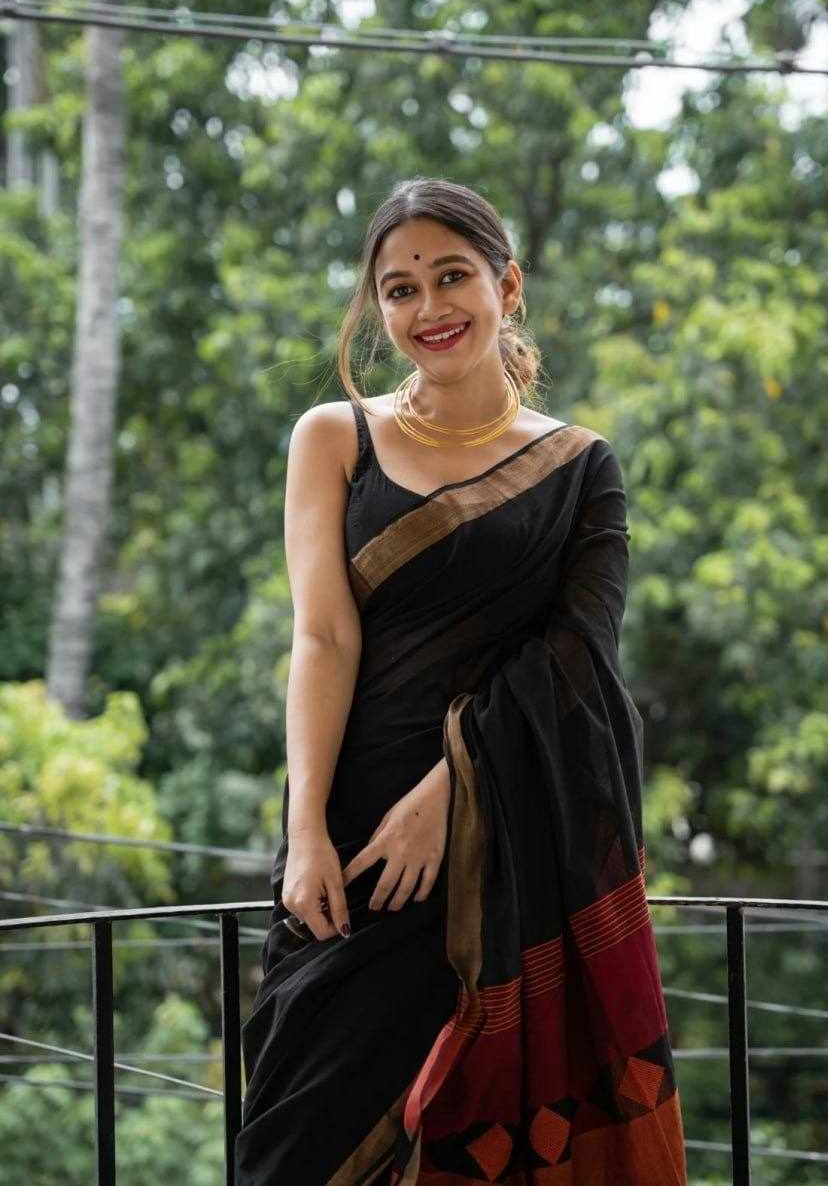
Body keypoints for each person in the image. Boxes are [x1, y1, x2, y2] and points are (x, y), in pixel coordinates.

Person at [235, 177, 688, 1185]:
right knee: (295, 1141)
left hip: (506, 850)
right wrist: (305, 832)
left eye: (451, 277)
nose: (428, 307)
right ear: (378, 310)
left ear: (506, 285)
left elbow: (579, 655)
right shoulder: (333, 438)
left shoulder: (581, 467)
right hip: (351, 849)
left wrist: (451, 793)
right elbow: (323, 639)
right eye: (400, 290)